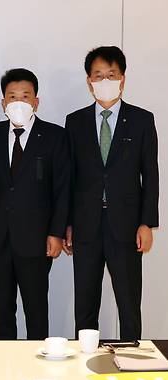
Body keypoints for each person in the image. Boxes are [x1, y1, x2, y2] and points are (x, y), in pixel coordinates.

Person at [64, 46, 159, 341]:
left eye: (111, 75)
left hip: (127, 226)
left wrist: (147, 223)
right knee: (85, 304)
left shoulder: (142, 120)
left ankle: (133, 362)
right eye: (98, 75)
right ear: (89, 81)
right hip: (86, 225)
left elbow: (151, 175)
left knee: (129, 303)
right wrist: (66, 223)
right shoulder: (75, 121)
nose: (105, 81)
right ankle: (85, 362)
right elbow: (70, 178)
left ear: (123, 79)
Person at [0, 68, 69, 340]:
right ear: (3, 103)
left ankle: (37, 372)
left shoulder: (54, 136)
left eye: (25, 96)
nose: (18, 102)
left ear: (36, 101)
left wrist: (56, 232)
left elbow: (62, 189)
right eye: (12, 96)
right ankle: (4, 370)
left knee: (36, 310)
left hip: (37, 239)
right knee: (1, 310)